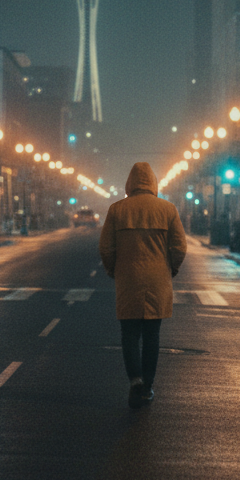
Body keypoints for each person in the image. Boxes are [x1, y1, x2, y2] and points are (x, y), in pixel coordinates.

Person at [99, 162, 187, 409]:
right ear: (154, 182)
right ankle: (148, 385)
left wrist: (112, 269)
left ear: (130, 183)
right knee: (152, 335)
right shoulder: (168, 210)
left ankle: (135, 380)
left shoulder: (117, 210)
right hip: (158, 281)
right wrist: (172, 269)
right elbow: (179, 247)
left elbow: (106, 247)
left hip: (128, 280)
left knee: (129, 334)